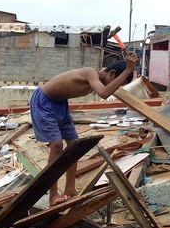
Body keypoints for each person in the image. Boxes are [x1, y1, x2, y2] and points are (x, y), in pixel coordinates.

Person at [31, 50, 138, 205]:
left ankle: (70, 189)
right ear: (112, 73)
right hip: (44, 103)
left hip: (61, 104)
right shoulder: (91, 73)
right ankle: (53, 195)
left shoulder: (97, 79)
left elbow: (107, 90)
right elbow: (104, 93)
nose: (116, 88)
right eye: (117, 83)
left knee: (75, 146)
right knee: (56, 145)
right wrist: (128, 69)